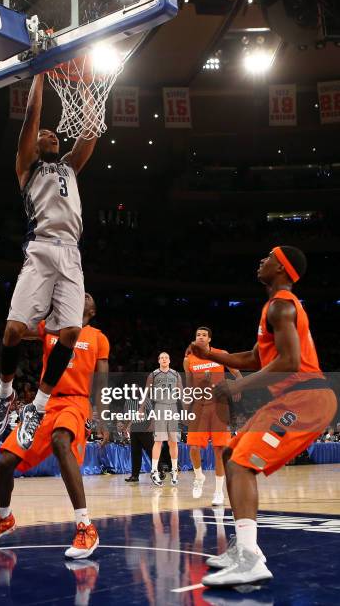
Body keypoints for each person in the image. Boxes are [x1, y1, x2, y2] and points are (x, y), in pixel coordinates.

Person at [188, 247, 337, 586]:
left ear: (282, 269)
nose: (261, 261)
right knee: (230, 455)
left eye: (268, 257)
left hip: (305, 399)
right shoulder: (273, 307)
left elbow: (289, 363)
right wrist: (212, 353)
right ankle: (244, 547)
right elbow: (256, 356)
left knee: (241, 464)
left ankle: (251, 559)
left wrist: (234, 387)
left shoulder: (282, 306)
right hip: (289, 399)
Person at [0, 73, 99, 451]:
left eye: (55, 134)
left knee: (70, 332)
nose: (51, 134)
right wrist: (40, 72)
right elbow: (33, 114)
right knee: (14, 331)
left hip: (71, 251)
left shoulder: (70, 166)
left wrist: (86, 89)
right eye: (45, 134)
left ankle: (37, 405)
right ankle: (4, 394)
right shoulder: (27, 167)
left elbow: (91, 131)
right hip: (40, 247)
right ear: (33, 145)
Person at [0, 293, 109, 559]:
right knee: (5, 460)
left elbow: (102, 380)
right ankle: (4, 518)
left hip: (75, 402)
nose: (80, 295)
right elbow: (16, 331)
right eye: (78, 292)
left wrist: (103, 416)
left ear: (92, 311)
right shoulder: (50, 325)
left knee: (62, 441)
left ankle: (85, 526)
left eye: (87, 295)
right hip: (44, 403)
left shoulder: (98, 337)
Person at [184, 326, 243, 505]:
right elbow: (189, 383)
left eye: (204, 335)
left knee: (219, 451)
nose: (200, 337)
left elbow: (237, 372)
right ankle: (199, 476)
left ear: (209, 339)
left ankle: (218, 492)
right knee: (193, 448)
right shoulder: (189, 360)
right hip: (199, 406)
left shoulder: (221, 354)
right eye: (198, 335)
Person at [147, 352, 183, 487]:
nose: (164, 359)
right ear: (158, 360)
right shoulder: (153, 374)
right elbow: (146, 392)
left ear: (169, 360)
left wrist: (186, 410)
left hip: (173, 407)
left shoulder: (176, 374)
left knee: (173, 441)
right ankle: (154, 470)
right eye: (161, 357)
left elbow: (181, 392)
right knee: (158, 441)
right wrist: (141, 409)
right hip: (159, 407)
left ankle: (174, 470)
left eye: (166, 357)